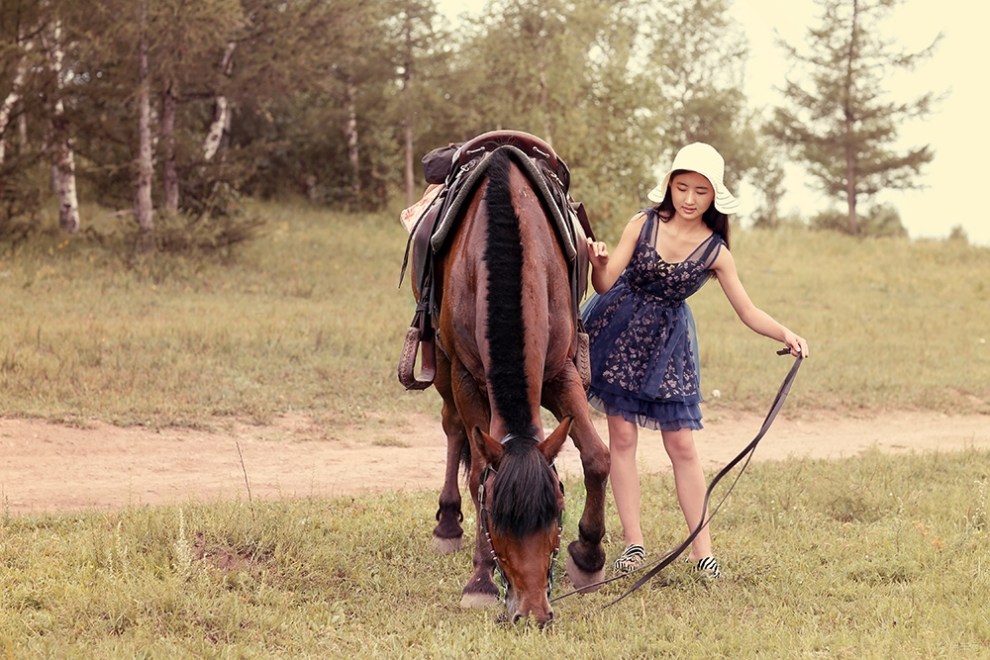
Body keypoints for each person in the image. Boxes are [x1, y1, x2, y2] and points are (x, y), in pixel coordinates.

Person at [582, 142, 809, 579]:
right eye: (681, 187)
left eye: (700, 191)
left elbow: (747, 310)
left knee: (682, 445)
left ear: (714, 196)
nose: (689, 198)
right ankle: (634, 544)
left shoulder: (716, 252)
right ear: (669, 185)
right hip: (616, 331)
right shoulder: (643, 223)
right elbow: (606, 283)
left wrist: (785, 333)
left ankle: (700, 549)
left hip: (668, 348)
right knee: (622, 441)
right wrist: (598, 263)